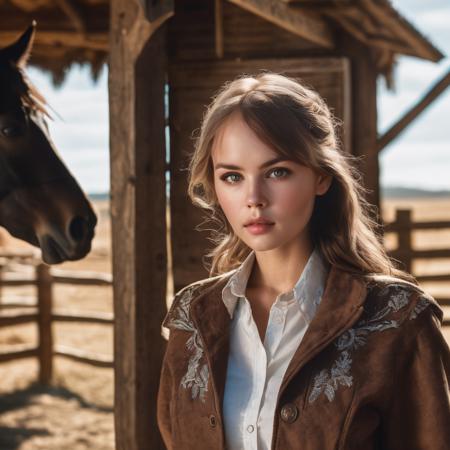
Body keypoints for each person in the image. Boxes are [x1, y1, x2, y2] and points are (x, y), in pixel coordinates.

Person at [157, 72, 450, 450]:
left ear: (322, 177)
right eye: (232, 176)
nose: (254, 198)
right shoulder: (191, 315)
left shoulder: (398, 318)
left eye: (277, 172)